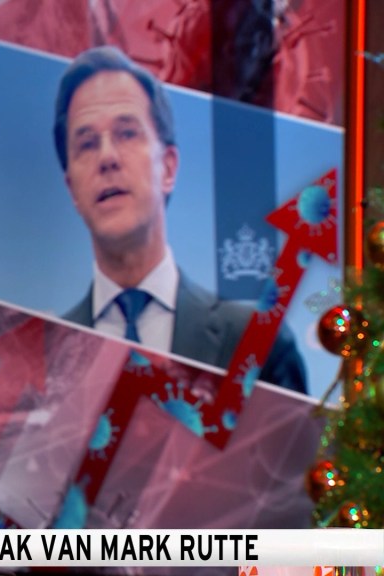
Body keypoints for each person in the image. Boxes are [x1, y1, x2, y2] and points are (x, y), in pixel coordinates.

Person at [54, 45, 306, 394]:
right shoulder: (41, 358)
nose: (107, 157)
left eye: (127, 133)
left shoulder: (258, 347)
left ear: (169, 168)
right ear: (72, 189)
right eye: (87, 144)